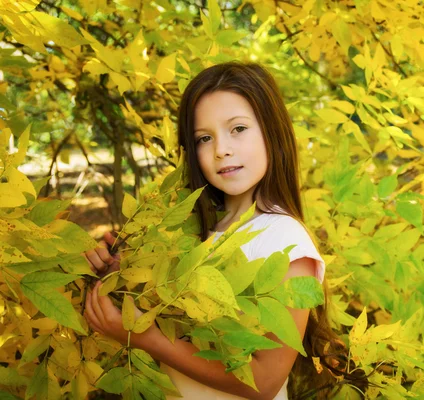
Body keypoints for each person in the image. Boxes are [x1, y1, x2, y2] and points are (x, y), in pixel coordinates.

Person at [84, 62, 360, 399]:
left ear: (272, 131)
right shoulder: (196, 234)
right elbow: (183, 331)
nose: (221, 149)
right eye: (204, 138)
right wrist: (121, 283)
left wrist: (144, 338)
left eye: (238, 129)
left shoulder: (285, 241)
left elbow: (264, 381)